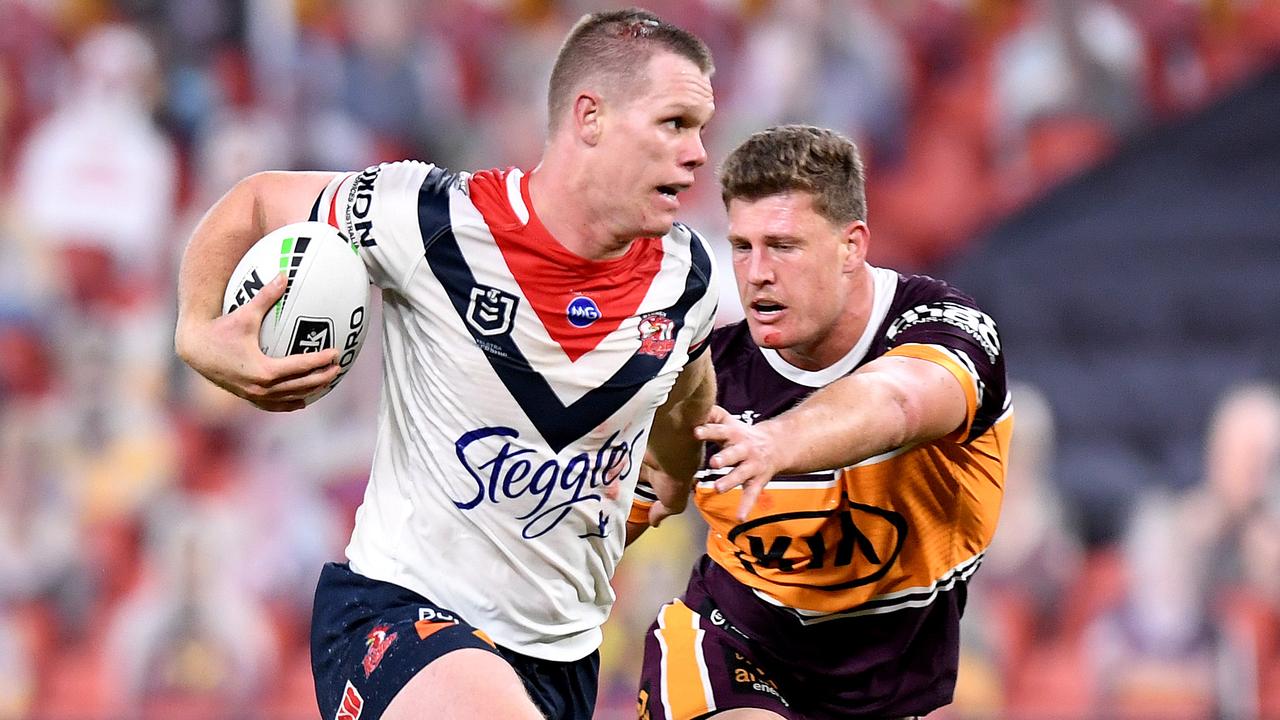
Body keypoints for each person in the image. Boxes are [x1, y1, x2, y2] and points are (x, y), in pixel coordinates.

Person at [174, 9, 720, 720]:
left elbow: (686, 388)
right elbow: (255, 204)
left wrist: (678, 467)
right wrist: (195, 332)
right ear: (591, 118)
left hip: (561, 659)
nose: (699, 152)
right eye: (675, 123)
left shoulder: (688, 277)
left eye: (701, 128)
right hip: (398, 616)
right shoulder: (434, 219)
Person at [629, 125, 1012, 720]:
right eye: (742, 246)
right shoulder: (705, 376)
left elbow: (900, 402)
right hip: (733, 645)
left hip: (892, 681)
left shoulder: (947, 329)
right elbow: (603, 519)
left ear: (851, 245)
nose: (756, 272)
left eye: (783, 246)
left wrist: (776, 441)